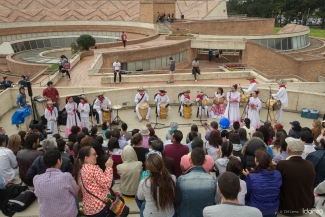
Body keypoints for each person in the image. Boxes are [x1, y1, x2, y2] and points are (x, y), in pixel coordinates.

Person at [33, 149, 79, 217]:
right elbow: (76, 191)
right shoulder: (66, 176)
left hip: (46, 214)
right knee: (75, 196)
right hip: (68, 214)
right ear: (58, 161)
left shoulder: (36, 179)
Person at [277, 137, 316, 215]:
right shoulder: (310, 165)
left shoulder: (282, 164)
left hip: (287, 207)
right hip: (305, 206)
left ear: (288, 150)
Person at [74, 146, 115, 216]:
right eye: (94, 154)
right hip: (100, 206)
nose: (97, 156)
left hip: (88, 209)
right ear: (86, 158)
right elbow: (107, 184)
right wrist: (108, 168)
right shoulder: (93, 168)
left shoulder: (81, 170)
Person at [176, 148, 216, 217]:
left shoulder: (181, 180)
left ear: (190, 161)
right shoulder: (212, 180)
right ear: (205, 161)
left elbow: (177, 202)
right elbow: (213, 201)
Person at [242, 149, 282, 217]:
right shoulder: (277, 174)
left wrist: (249, 177)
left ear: (258, 162)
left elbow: (247, 194)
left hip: (256, 209)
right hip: (273, 208)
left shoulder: (251, 176)